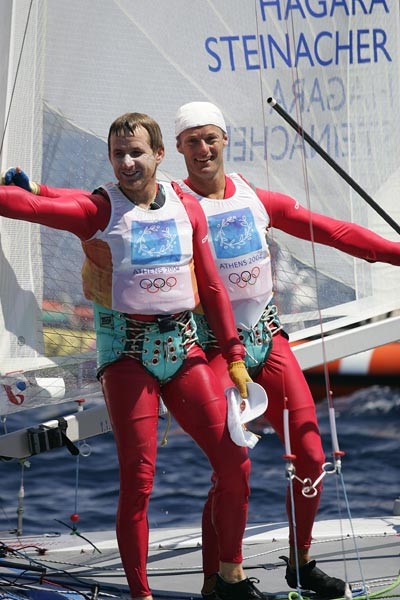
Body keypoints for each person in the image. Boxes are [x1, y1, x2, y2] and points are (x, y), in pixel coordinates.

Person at [0, 112, 271, 600]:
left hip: (184, 350)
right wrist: (33, 190)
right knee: (139, 481)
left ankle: (227, 577)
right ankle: (141, 595)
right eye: (117, 154)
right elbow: (25, 208)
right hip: (127, 359)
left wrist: (232, 355)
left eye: (137, 152)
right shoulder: (99, 211)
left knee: (235, 463)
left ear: (159, 156)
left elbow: (210, 285)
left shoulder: (184, 205)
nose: (127, 162)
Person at [173, 101, 400, 599]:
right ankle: (219, 580)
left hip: (267, 343)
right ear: (178, 148)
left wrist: (397, 253)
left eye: (210, 138)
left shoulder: (257, 199)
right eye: (192, 141)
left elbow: (338, 233)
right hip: (212, 350)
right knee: (230, 466)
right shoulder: (172, 202)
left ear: (225, 140)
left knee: (313, 457)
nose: (203, 149)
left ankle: (300, 562)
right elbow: (109, 207)